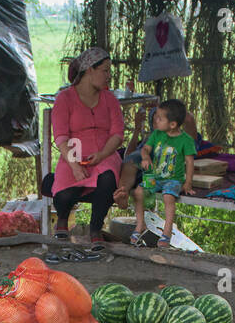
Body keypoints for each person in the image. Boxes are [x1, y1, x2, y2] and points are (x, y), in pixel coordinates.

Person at [49, 47, 123, 244]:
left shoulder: (110, 100)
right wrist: (74, 165)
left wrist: (102, 154)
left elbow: (117, 134)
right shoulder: (64, 99)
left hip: (104, 155)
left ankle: (95, 228)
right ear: (90, 70)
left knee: (107, 179)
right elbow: (61, 137)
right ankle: (62, 219)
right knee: (64, 195)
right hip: (73, 154)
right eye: (105, 71)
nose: (108, 76)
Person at [132, 98, 195, 248]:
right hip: (156, 177)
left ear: (172, 124)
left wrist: (187, 183)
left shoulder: (185, 140)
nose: (156, 121)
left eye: (160, 119)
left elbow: (190, 162)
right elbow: (145, 149)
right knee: (139, 192)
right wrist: (146, 157)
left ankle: (167, 232)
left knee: (168, 197)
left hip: (173, 180)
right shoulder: (156, 135)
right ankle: (140, 225)